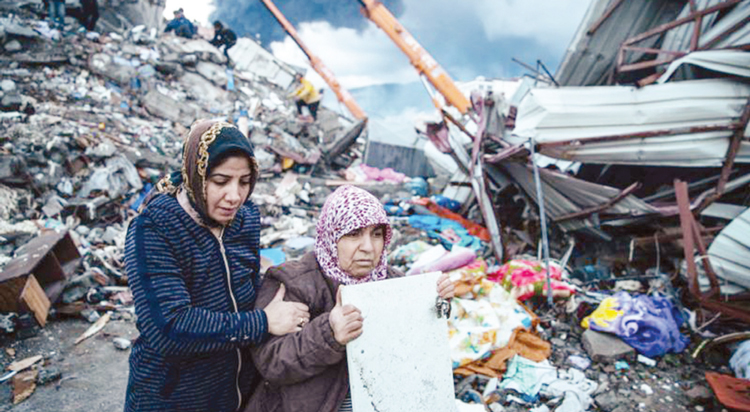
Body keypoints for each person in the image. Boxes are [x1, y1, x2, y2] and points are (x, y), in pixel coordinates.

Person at [123, 120, 310, 412]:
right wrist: (262, 322)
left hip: (236, 395)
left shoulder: (245, 219)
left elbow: (245, 289)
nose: (234, 196)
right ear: (196, 176)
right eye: (221, 181)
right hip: (173, 397)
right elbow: (169, 328)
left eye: (244, 182)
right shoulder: (156, 228)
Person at [244, 185, 455, 412]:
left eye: (376, 234)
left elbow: (415, 355)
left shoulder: (393, 283)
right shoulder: (294, 281)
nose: (368, 248)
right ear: (331, 236)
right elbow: (272, 362)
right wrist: (329, 334)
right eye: (354, 234)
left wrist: (434, 305)